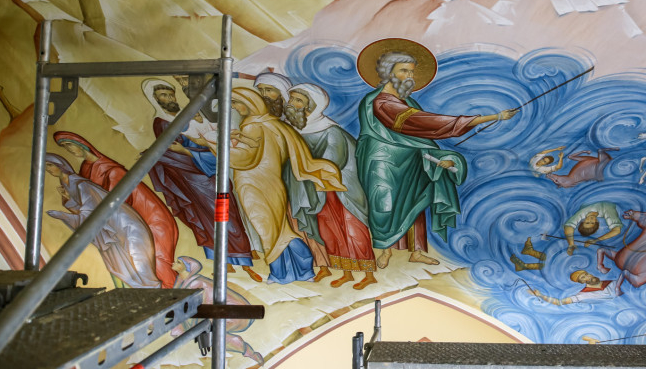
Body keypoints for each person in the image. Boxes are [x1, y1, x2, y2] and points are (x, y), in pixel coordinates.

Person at [355, 39, 518, 268]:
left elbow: (419, 133)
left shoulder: (407, 101)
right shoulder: (381, 102)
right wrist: (489, 118)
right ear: (388, 73)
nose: (409, 76)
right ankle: (384, 249)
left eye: (411, 71)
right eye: (403, 71)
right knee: (384, 203)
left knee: (416, 200)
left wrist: (440, 157)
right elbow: (423, 123)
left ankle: (417, 251)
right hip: (383, 159)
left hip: (411, 158)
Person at [208, 88, 345, 284]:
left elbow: (246, 158)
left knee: (269, 232)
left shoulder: (252, 126)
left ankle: (281, 274)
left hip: (253, 183)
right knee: (281, 230)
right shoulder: (274, 124)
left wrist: (215, 146)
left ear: (249, 103)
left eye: (236, 103)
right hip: (272, 181)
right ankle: (303, 270)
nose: (234, 107)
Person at [141, 79, 262, 282]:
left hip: (209, 172)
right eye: (163, 96)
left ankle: (244, 261)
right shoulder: (162, 122)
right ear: (154, 99)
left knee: (229, 214)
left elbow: (201, 142)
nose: (170, 99)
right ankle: (224, 264)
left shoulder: (186, 116)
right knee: (208, 219)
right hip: (192, 178)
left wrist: (200, 149)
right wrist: (193, 152)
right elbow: (172, 152)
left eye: (171, 94)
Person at [54, 131, 179, 288]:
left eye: (69, 144)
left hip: (151, 219)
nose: (69, 149)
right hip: (127, 224)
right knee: (136, 266)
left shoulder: (112, 171)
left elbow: (112, 204)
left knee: (156, 261)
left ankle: (175, 293)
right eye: (65, 147)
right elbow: (90, 206)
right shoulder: (85, 170)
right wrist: (70, 199)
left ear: (82, 145)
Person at [284, 83, 377, 290]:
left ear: (311, 105)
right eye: (291, 99)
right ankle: (346, 273)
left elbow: (334, 159)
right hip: (318, 191)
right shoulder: (295, 130)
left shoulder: (330, 130)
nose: (291, 104)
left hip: (342, 192)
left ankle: (368, 274)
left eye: (298, 100)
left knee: (352, 230)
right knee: (330, 232)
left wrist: (309, 170)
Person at [45, 153, 159, 289]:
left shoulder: (81, 184)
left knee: (139, 262)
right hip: (110, 230)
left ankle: (154, 290)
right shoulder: (67, 186)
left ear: (61, 165)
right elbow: (86, 213)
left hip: (125, 225)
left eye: (50, 165)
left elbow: (88, 213)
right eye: (46, 167)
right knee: (120, 266)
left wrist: (64, 216)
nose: (48, 169)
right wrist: (69, 200)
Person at [171, 257, 264, 365]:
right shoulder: (182, 281)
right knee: (212, 336)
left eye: (178, 262)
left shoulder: (195, 283)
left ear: (187, 268)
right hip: (219, 312)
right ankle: (249, 352)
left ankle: (249, 352)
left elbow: (199, 306)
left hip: (234, 312)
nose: (174, 263)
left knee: (215, 336)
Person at [528, 270, 618, 305]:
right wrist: (540, 295)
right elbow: (559, 302)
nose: (588, 276)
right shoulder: (583, 295)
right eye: (583, 277)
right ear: (581, 282)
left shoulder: (613, 282)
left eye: (587, 274)